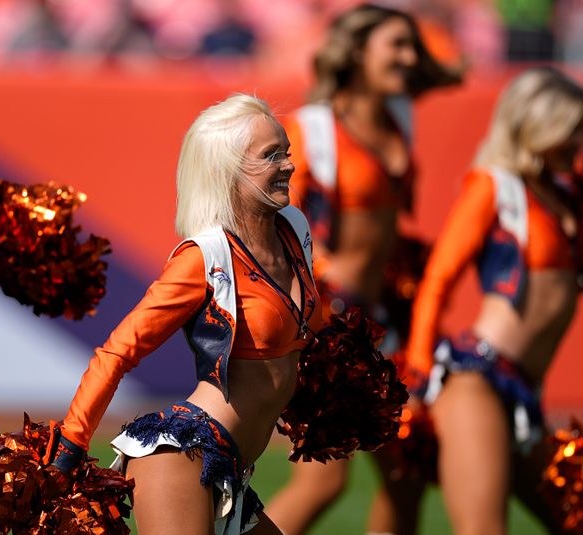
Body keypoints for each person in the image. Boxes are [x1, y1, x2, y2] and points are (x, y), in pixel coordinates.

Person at [46, 94, 321, 535]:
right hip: (181, 457)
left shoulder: (294, 229)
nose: (289, 164)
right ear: (228, 169)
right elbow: (117, 352)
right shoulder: (204, 257)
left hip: (233, 470)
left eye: (287, 152)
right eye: (272, 155)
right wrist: (69, 449)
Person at [265, 4, 461, 535]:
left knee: (406, 474)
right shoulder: (307, 131)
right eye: (395, 45)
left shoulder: (399, 114)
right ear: (356, 54)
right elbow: (271, 230)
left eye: (411, 46)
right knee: (322, 482)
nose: (409, 56)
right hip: (328, 328)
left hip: (381, 321)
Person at [407, 66, 583, 535]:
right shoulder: (494, 186)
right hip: (477, 379)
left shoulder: (569, 193)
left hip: (526, 393)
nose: (577, 141)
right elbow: (439, 279)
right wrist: (421, 369)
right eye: (569, 129)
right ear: (536, 126)